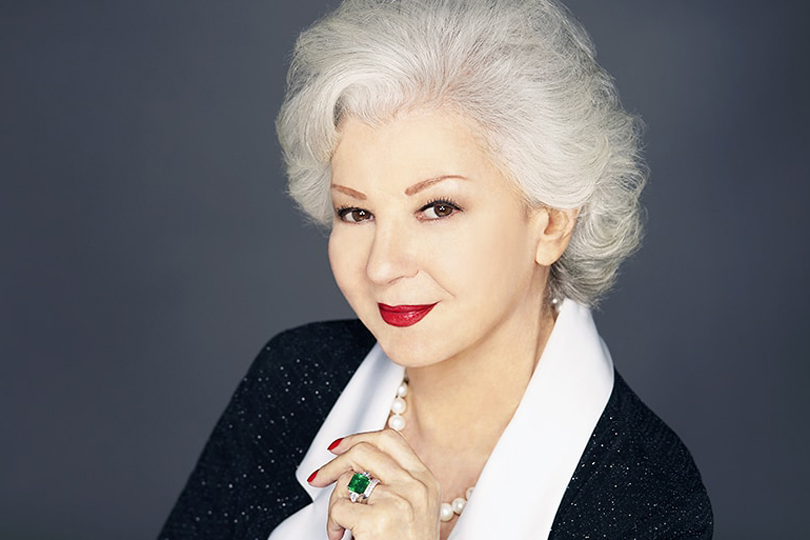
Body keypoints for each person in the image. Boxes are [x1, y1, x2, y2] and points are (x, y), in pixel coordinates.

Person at [159, 0, 712, 539]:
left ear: (550, 224)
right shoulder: (295, 378)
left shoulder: (648, 496)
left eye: (438, 208)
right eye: (356, 212)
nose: (382, 265)